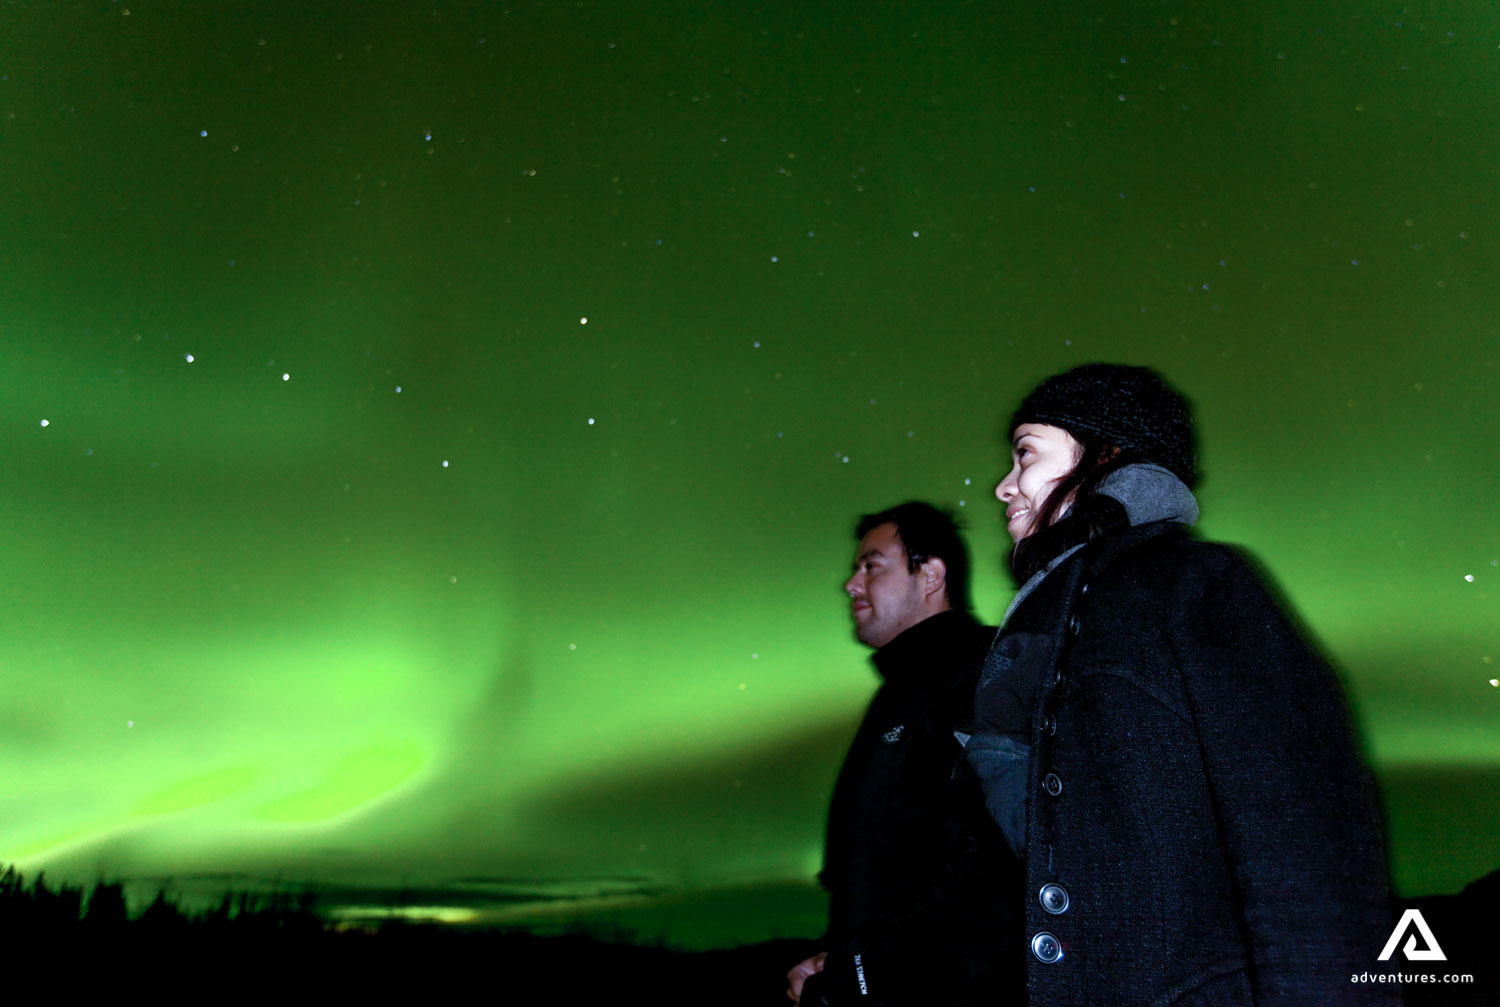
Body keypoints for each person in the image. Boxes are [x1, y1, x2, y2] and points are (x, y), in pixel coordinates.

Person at [965, 363, 1399, 1006]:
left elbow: (1305, 846)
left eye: (1025, 452)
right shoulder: (1043, 637)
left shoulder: (1193, 585)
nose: (1004, 487)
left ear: (1105, 452)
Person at [787, 502, 1022, 1006]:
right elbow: (890, 865)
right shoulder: (903, 690)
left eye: (871, 565)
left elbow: (994, 862)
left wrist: (871, 977)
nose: (851, 584)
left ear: (930, 574)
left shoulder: (981, 677)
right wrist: (840, 957)